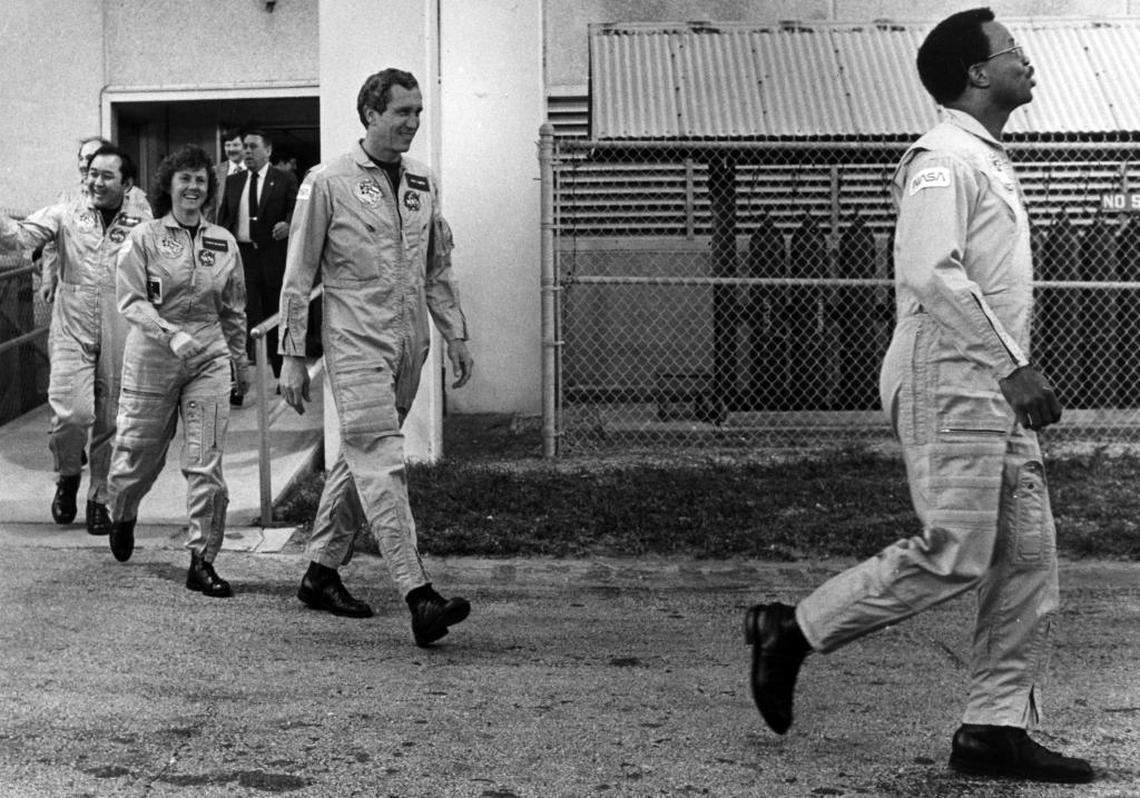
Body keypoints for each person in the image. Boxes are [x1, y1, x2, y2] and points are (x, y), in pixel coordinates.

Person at [744, 8, 1094, 785]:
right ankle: (793, 630)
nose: (1026, 61)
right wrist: (1012, 366)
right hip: (954, 375)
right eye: (1013, 52)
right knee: (959, 554)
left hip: (986, 379)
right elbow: (930, 271)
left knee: (1027, 557)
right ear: (977, 74)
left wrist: (1005, 369)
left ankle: (992, 730)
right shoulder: (942, 158)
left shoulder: (988, 157)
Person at [278, 68, 474, 647]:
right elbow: (298, 274)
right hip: (355, 344)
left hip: (410, 344)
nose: (413, 122)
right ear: (370, 113)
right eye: (402, 112)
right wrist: (292, 353)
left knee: (358, 460)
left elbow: (436, 268)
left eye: (417, 111)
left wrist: (455, 335)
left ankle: (320, 573)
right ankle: (419, 594)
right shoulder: (327, 182)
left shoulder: (423, 181)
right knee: (383, 458)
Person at [105, 144, 249, 598]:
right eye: (184, 178)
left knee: (206, 460)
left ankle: (201, 559)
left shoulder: (223, 241)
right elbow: (131, 299)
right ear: (168, 185)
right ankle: (123, 511)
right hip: (152, 356)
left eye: (201, 180)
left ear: (209, 190)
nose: (193, 186)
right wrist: (169, 333)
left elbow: (234, 309)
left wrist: (238, 361)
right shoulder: (144, 238)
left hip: (207, 356)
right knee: (137, 457)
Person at [0, 144, 151, 536]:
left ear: (127, 183)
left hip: (121, 323)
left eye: (106, 176)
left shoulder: (142, 217)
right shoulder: (66, 211)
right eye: (92, 174)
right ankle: (68, 474)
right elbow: (21, 236)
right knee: (72, 414)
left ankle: (98, 498)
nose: (96, 181)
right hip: (71, 323)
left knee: (111, 417)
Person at [217, 127, 297, 404]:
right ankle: (238, 383)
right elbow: (223, 219)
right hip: (242, 259)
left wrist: (288, 224)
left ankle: (280, 373)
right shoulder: (234, 181)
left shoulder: (284, 179)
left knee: (275, 317)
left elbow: (296, 211)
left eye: (253, 146)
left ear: (268, 150)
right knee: (240, 319)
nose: (247, 152)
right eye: (245, 147)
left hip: (273, 258)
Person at [39, 135, 112, 305]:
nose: (84, 164)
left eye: (90, 158)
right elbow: (52, 242)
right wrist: (48, 279)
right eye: (81, 159)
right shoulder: (67, 197)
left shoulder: (128, 195)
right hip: (75, 293)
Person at [205, 128, 245, 223]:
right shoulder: (216, 171)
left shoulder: (254, 170)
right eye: (227, 145)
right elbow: (211, 206)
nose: (231, 149)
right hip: (223, 229)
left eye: (236, 145)